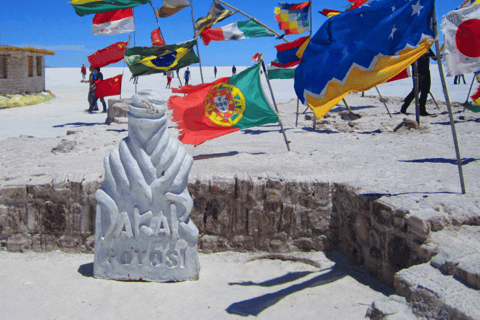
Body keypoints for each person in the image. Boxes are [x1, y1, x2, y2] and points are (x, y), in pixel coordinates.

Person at [400, 49, 437, 116]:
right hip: (417, 72)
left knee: (425, 90)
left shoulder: (426, 47)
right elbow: (410, 60)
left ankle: (422, 110)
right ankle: (405, 106)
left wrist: (443, 56)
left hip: (426, 72)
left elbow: (434, 58)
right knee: (417, 90)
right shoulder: (414, 47)